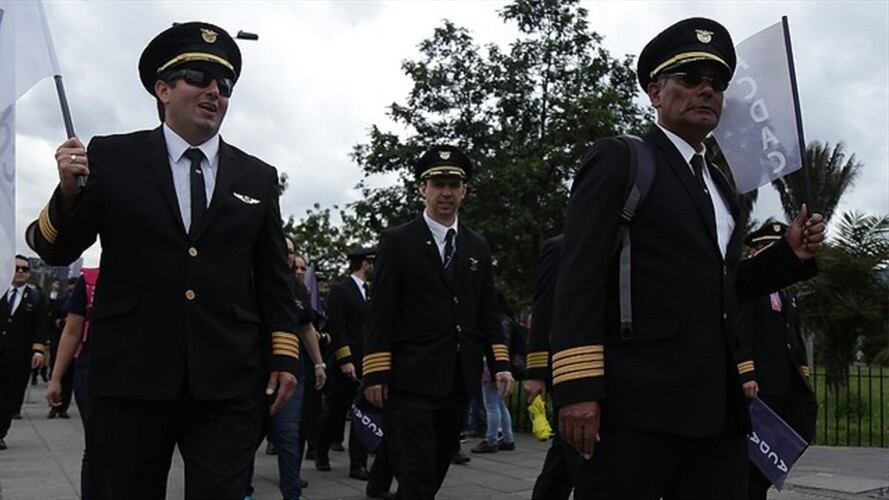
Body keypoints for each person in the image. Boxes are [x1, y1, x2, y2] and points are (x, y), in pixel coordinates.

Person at [551, 18, 826, 499]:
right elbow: (579, 276)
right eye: (690, 78)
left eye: (716, 83)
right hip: (637, 405)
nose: (706, 90)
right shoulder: (621, 159)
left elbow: (723, 285)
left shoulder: (722, 185)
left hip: (714, 410)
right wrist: (577, 389)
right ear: (655, 92)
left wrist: (789, 254)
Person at [25, 22, 301, 499]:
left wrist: (283, 355)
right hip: (132, 376)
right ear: (163, 89)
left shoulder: (256, 176)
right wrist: (68, 195)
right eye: (199, 76)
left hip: (227, 380)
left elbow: (274, 277)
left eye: (225, 84)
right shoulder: (112, 157)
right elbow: (54, 249)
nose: (215, 91)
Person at [363, 145, 515, 499]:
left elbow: (486, 313)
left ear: (465, 191)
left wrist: (501, 364)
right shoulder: (398, 241)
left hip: (457, 381)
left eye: (453, 184)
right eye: (437, 183)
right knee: (416, 477)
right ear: (422, 188)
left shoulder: (477, 246)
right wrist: (375, 372)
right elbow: (380, 313)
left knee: (433, 473)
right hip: (409, 380)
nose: (445, 192)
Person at [735, 222, 817, 500]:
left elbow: (794, 334)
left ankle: (758, 487)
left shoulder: (786, 292)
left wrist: (802, 372)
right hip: (761, 385)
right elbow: (742, 330)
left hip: (785, 383)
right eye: (767, 247)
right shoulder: (751, 289)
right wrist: (746, 373)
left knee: (796, 433)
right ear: (754, 250)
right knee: (755, 458)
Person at [524, 235, 582, 500]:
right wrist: (536, 373)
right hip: (570, 366)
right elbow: (543, 310)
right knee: (578, 450)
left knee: (565, 451)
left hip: (613, 366)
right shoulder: (560, 248)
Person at [316, 246, 375, 479]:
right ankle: (321, 451)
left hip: (366, 361)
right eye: (372, 263)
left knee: (363, 413)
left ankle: (358, 464)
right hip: (345, 362)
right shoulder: (342, 290)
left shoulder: (371, 292)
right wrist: (345, 359)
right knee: (335, 411)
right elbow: (337, 328)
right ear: (365, 264)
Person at [47, 269, 100, 499]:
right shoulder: (88, 281)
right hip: (92, 371)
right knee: (97, 446)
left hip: (140, 373)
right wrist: (56, 378)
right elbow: (72, 330)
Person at [0, 256, 48, 450]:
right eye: (17, 268)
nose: (20, 272)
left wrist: (38, 351)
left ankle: (1, 432)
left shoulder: (35, 297)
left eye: (25, 269)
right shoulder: (1, 292)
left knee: (8, 395)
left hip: (18, 355)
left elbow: (41, 326)